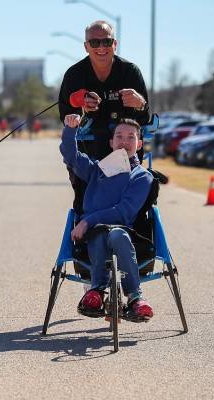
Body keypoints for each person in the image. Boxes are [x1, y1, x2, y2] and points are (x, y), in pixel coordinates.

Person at [60, 115, 154, 321]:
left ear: (139, 144)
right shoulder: (97, 169)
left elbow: (124, 211)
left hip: (123, 230)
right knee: (100, 235)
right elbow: (71, 156)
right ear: (111, 142)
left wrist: (87, 220)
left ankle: (135, 297)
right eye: (119, 136)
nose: (124, 141)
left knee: (117, 235)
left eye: (130, 137)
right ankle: (96, 291)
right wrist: (70, 129)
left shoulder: (142, 176)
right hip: (94, 233)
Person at [58, 20, 150, 217]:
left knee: (129, 197)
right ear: (86, 46)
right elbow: (65, 116)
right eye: (94, 42)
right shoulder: (74, 75)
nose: (101, 47)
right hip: (88, 149)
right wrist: (80, 109)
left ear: (114, 44)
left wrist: (140, 103)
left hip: (124, 149)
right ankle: (85, 229)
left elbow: (145, 116)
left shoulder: (130, 72)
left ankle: (131, 231)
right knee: (86, 197)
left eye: (106, 42)